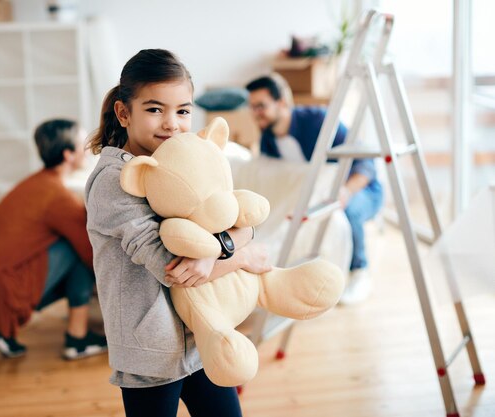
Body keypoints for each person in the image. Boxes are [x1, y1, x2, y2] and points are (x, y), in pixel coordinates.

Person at [85, 49, 271, 417]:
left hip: (199, 333)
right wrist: (243, 256)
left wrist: (219, 248)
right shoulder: (115, 182)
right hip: (151, 351)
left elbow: (237, 218)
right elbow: (175, 269)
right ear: (124, 113)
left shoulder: (182, 164)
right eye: (155, 109)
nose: (172, 124)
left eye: (183, 111)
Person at [0, 119, 107, 360]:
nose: (87, 149)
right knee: (81, 250)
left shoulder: (38, 182)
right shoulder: (57, 197)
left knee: (75, 248)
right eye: (82, 144)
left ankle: (75, 337)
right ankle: (77, 340)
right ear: (68, 154)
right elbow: (90, 254)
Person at [245, 74, 384, 305]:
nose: (255, 113)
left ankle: (359, 271)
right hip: (315, 196)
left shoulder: (319, 121)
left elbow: (364, 161)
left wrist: (346, 192)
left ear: (282, 103)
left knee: (346, 213)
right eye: (252, 108)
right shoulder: (268, 139)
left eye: (261, 106)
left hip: (360, 189)